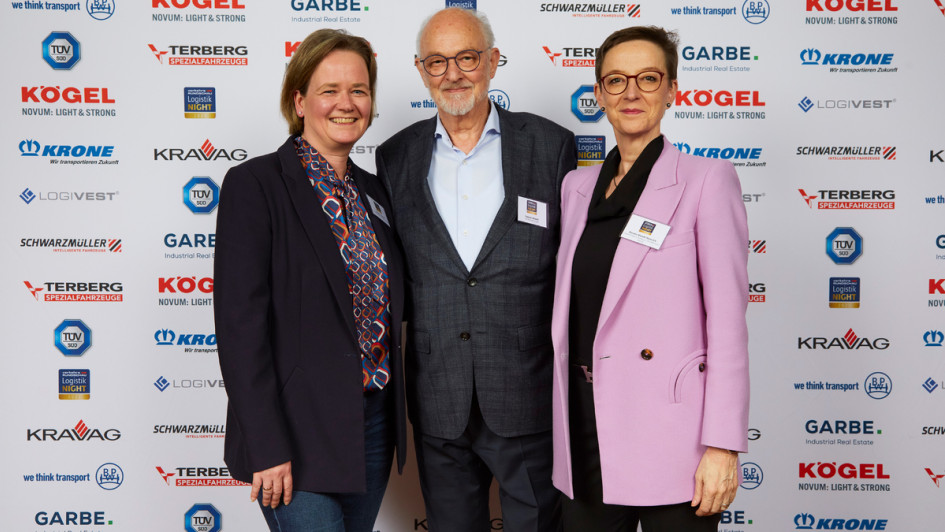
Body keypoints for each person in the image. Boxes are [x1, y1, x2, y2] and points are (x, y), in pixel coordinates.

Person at [375, 7, 576, 532]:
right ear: (420, 70)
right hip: (437, 392)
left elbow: (572, 263)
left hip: (525, 390)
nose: (453, 74)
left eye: (466, 57)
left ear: (492, 61)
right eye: (436, 62)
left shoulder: (551, 146)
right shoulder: (395, 157)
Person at [549, 26, 750, 531]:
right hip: (585, 431)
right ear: (598, 94)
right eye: (615, 80)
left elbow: (727, 324)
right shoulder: (575, 187)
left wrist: (723, 446)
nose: (631, 92)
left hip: (674, 440)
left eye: (648, 78)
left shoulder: (707, 180)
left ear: (672, 90)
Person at [213, 28, 405, 532]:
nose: (347, 104)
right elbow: (240, 329)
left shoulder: (374, 193)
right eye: (329, 90)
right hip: (294, 433)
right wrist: (266, 445)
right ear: (299, 100)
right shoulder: (255, 185)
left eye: (359, 91)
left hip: (372, 425)